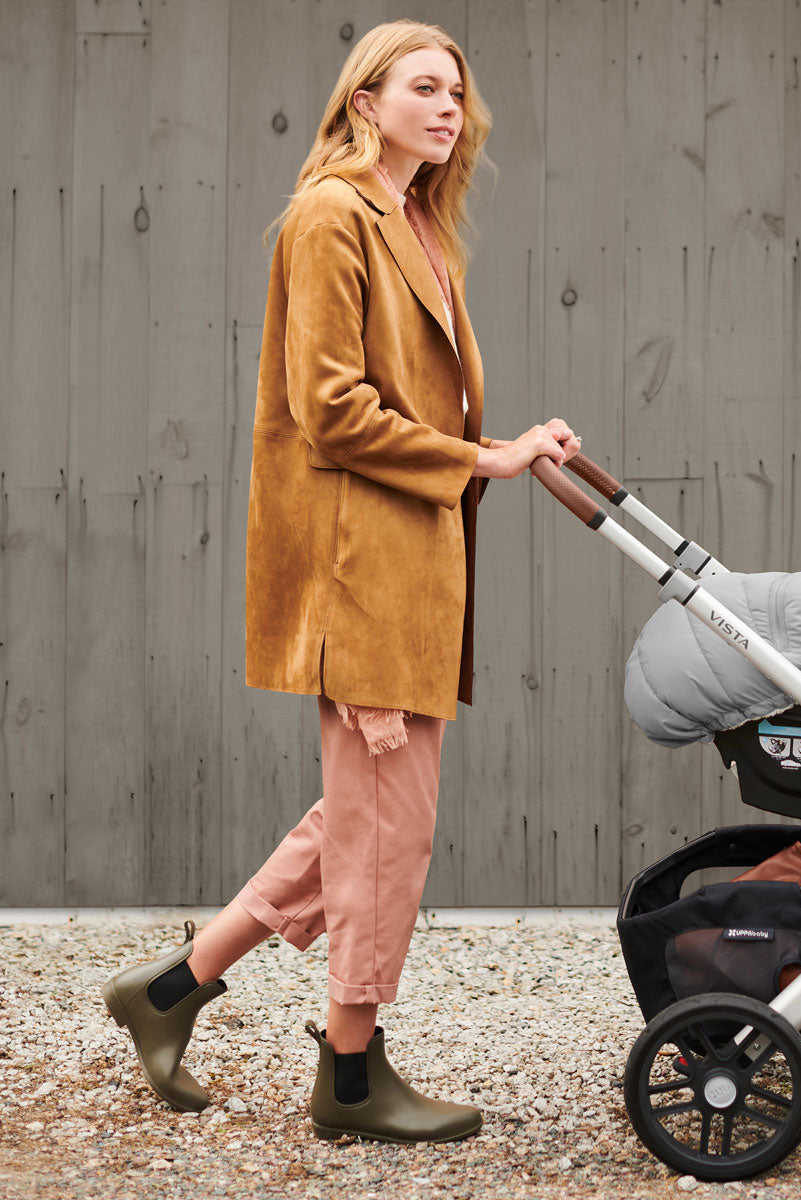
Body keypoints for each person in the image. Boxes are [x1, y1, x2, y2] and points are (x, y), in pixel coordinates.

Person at [101, 20, 580, 1146]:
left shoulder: (418, 225)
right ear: (365, 101)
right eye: (424, 87)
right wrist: (483, 460)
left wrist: (499, 445)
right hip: (362, 573)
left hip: (412, 574)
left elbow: (408, 406)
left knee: (365, 816)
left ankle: (168, 992)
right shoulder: (331, 216)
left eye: (457, 90)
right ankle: (350, 1079)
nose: (450, 106)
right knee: (384, 833)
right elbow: (332, 410)